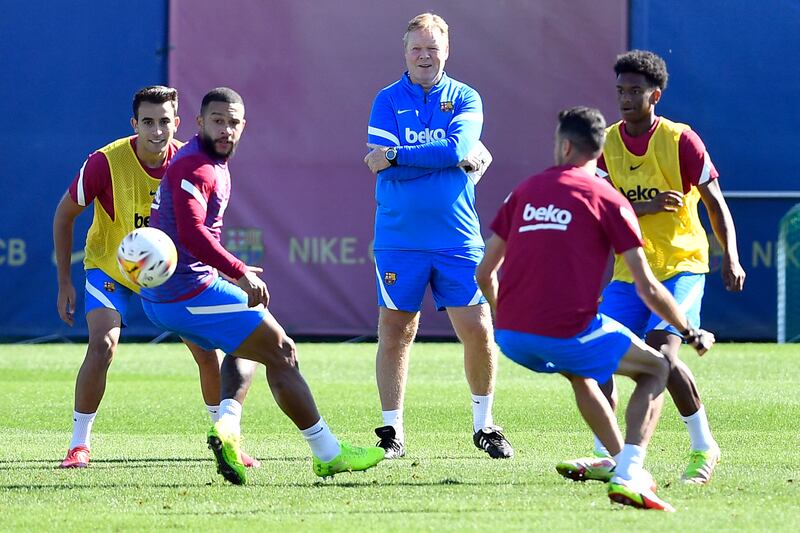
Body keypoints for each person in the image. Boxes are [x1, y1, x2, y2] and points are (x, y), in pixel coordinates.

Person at [141, 87, 385, 485]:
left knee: (246, 345)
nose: (226, 129)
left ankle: (228, 430)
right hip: (185, 293)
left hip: (176, 292)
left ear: (243, 127)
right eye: (217, 121)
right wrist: (238, 270)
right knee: (283, 352)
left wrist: (225, 270)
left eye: (233, 123)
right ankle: (328, 453)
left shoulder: (209, 161)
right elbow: (191, 233)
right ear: (200, 123)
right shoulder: (198, 166)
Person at [476, 106, 715, 511]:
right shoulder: (609, 199)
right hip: (566, 331)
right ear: (596, 150)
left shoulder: (524, 191)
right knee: (657, 366)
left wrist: (507, 320)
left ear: (564, 145)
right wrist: (689, 331)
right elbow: (649, 287)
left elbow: (484, 273)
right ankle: (630, 473)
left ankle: (621, 462)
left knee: (583, 376)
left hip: (512, 338)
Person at [557, 51, 745, 486]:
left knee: (662, 351)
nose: (625, 99)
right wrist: (645, 204)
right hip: (631, 271)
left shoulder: (682, 140)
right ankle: (607, 454)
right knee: (600, 355)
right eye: (620, 91)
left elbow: (715, 204)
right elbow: (599, 209)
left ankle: (703, 446)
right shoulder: (608, 146)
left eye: (635, 91)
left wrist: (730, 256)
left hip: (682, 263)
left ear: (655, 95)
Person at [53, 86, 259, 469]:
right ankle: (78, 445)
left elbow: (204, 229)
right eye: (147, 121)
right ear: (134, 124)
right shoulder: (104, 162)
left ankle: (226, 441)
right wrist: (65, 281)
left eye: (165, 121)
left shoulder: (191, 162)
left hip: (172, 274)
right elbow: (64, 215)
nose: (157, 130)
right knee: (104, 345)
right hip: (112, 267)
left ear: (177, 123)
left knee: (207, 352)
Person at [363, 12, 512, 460]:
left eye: (432, 48)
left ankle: (485, 426)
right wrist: (437, 158)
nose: (424, 56)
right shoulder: (387, 99)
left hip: (457, 236)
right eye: (416, 49)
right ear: (404, 52)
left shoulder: (466, 97)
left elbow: (455, 149)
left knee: (478, 328)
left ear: (446, 51)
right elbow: (391, 158)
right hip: (399, 237)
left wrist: (397, 155)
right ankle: (392, 432)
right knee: (396, 331)